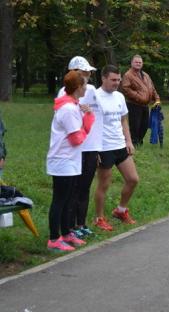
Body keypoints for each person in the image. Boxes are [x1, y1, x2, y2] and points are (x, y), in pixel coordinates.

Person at [46, 71, 95, 252]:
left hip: (70, 160)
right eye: (84, 85)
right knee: (59, 200)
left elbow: (82, 132)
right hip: (62, 161)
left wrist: (88, 115)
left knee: (68, 199)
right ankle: (53, 238)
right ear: (77, 87)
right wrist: (84, 127)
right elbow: (77, 139)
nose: (86, 88)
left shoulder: (74, 106)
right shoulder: (68, 109)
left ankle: (66, 233)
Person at [57, 56, 100, 238]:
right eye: (84, 72)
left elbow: (98, 116)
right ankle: (70, 227)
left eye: (89, 72)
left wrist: (98, 146)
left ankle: (81, 223)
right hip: (75, 148)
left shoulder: (90, 90)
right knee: (73, 189)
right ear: (74, 73)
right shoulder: (63, 94)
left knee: (85, 187)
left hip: (90, 146)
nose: (88, 75)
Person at [93, 65, 139, 231]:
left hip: (120, 145)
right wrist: (94, 149)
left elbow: (123, 120)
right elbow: (90, 124)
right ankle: (99, 218)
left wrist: (128, 141)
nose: (117, 83)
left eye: (118, 80)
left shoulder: (119, 96)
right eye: (113, 80)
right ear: (103, 78)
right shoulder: (95, 96)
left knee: (133, 179)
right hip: (104, 147)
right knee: (104, 185)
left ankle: (120, 210)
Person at [120, 55, 160, 146]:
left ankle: (139, 141)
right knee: (135, 126)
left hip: (145, 105)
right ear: (132, 63)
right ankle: (133, 143)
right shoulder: (128, 75)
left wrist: (157, 99)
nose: (138, 64)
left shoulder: (146, 75)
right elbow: (126, 89)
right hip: (134, 104)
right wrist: (139, 96)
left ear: (142, 64)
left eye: (140, 62)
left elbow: (152, 88)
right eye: (136, 62)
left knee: (145, 125)